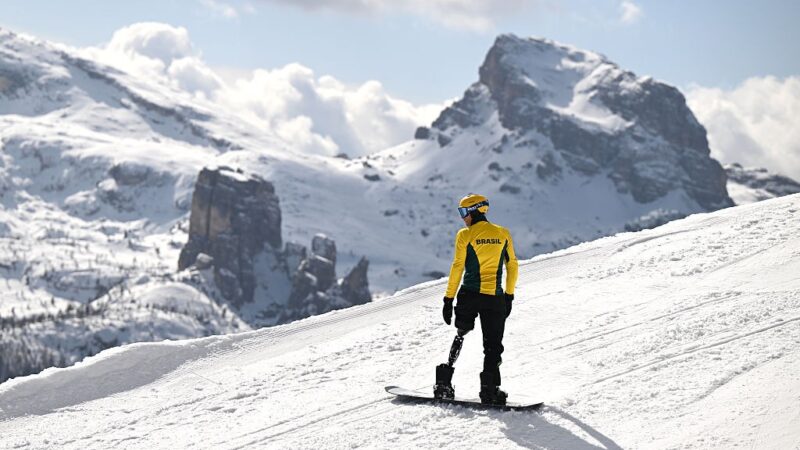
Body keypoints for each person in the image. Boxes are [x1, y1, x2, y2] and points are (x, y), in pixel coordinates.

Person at [434, 193, 519, 405]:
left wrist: (448, 299)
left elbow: (457, 267)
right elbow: (512, 265)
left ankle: (444, 383)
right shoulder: (503, 234)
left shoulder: (465, 235)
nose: (462, 217)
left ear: (474, 210)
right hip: (494, 299)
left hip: (469, 296)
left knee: (461, 333)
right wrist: (509, 295)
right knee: (493, 346)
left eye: (463, 212)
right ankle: (490, 390)